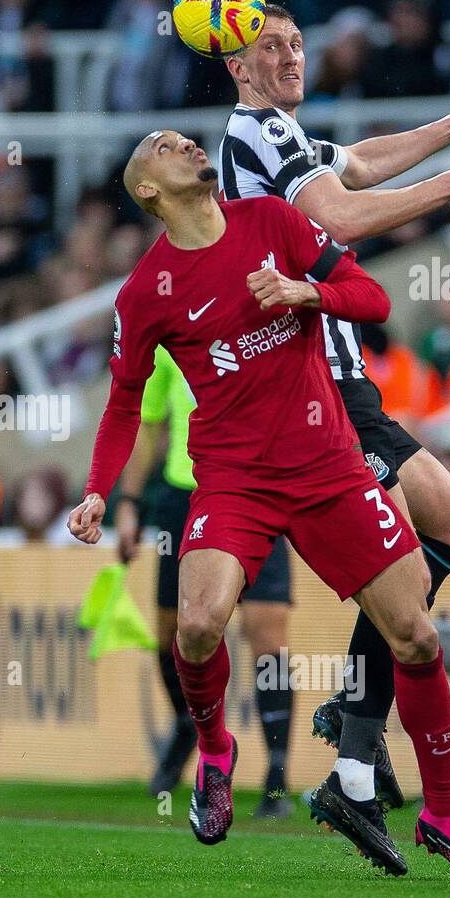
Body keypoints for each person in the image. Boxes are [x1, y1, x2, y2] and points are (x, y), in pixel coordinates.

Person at [68, 130, 450, 882]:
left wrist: (311, 293)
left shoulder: (272, 220)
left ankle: (442, 818)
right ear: (149, 192)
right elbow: (124, 402)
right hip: (234, 478)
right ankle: (215, 753)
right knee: (198, 624)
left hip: (329, 466)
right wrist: (100, 492)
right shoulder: (145, 292)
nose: (183, 142)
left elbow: (371, 296)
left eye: (183, 136)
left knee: (418, 639)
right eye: (164, 146)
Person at [219, 2, 450, 841]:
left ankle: (352, 752)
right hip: (324, 392)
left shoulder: (280, 138)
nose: (290, 57)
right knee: (436, 552)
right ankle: (355, 747)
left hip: (346, 388)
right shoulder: (260, 133)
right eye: (269, 47)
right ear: (236, 65)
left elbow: (355, 166)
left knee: (441, 544)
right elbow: (341, 216)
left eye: (297, 44)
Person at [115, 347, 295, 817]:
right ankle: (184, 721)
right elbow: (148, 420)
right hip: (183, 492)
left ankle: (277, 776)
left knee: (267, 628)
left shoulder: (262, 323)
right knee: (173, 631)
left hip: (255, 485)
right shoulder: (167, 335)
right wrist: (131, 500)